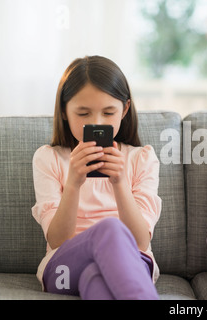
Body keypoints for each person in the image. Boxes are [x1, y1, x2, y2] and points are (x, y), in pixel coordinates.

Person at [32, 56, 161, 300]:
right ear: (63, 111)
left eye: (108, 112)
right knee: (110, 228)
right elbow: (58, 240)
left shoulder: (142, 158)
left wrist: (120, 182)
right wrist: (73, 183)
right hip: (63, 269)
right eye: (83, 113)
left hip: (132, 264)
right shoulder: (47, 158)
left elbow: (140, 243)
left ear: (124, 110)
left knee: (96, 277)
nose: (97, 123)